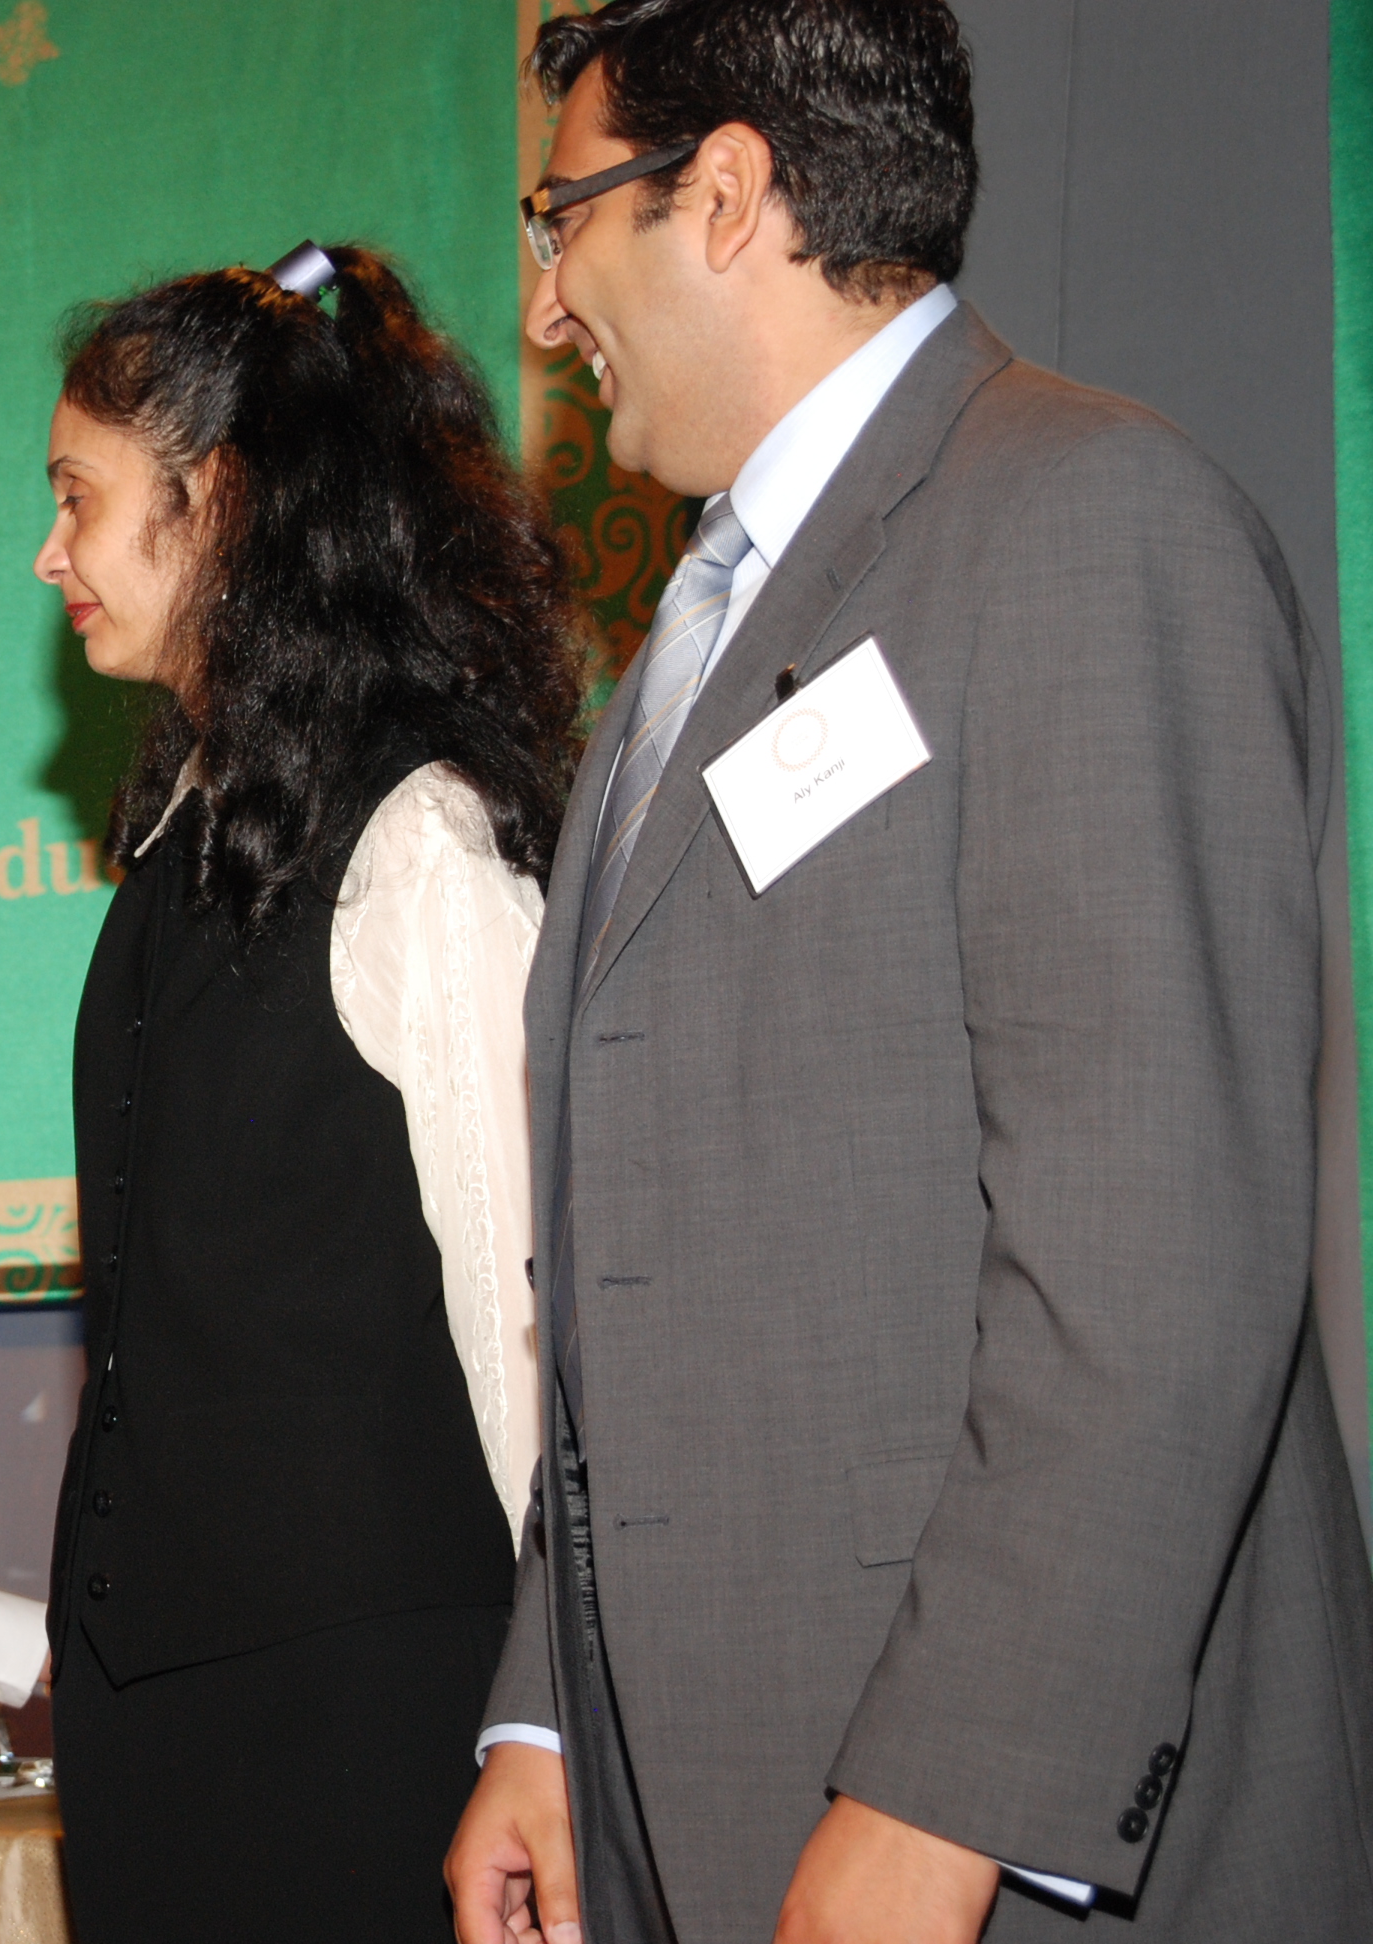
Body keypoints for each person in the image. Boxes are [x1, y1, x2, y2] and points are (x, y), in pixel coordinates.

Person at [445, 5, 1373, 1941]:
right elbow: (623, 1267)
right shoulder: (696, 637)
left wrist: (945, 1801)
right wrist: (543, 1706)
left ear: (720, 196)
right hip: (688, 1794)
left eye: (562, 220)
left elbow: (1155, 1264)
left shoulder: (1082, 522)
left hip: (967, 1835)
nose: (543, 312)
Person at [33, 245, 583, 1942]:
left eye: (78, 498)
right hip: (159, 1732)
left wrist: (547, 1718)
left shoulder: (421, 839)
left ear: (224, 500)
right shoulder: (179, 834)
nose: (47, 551)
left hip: (377, 1730)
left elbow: (531, 1325)